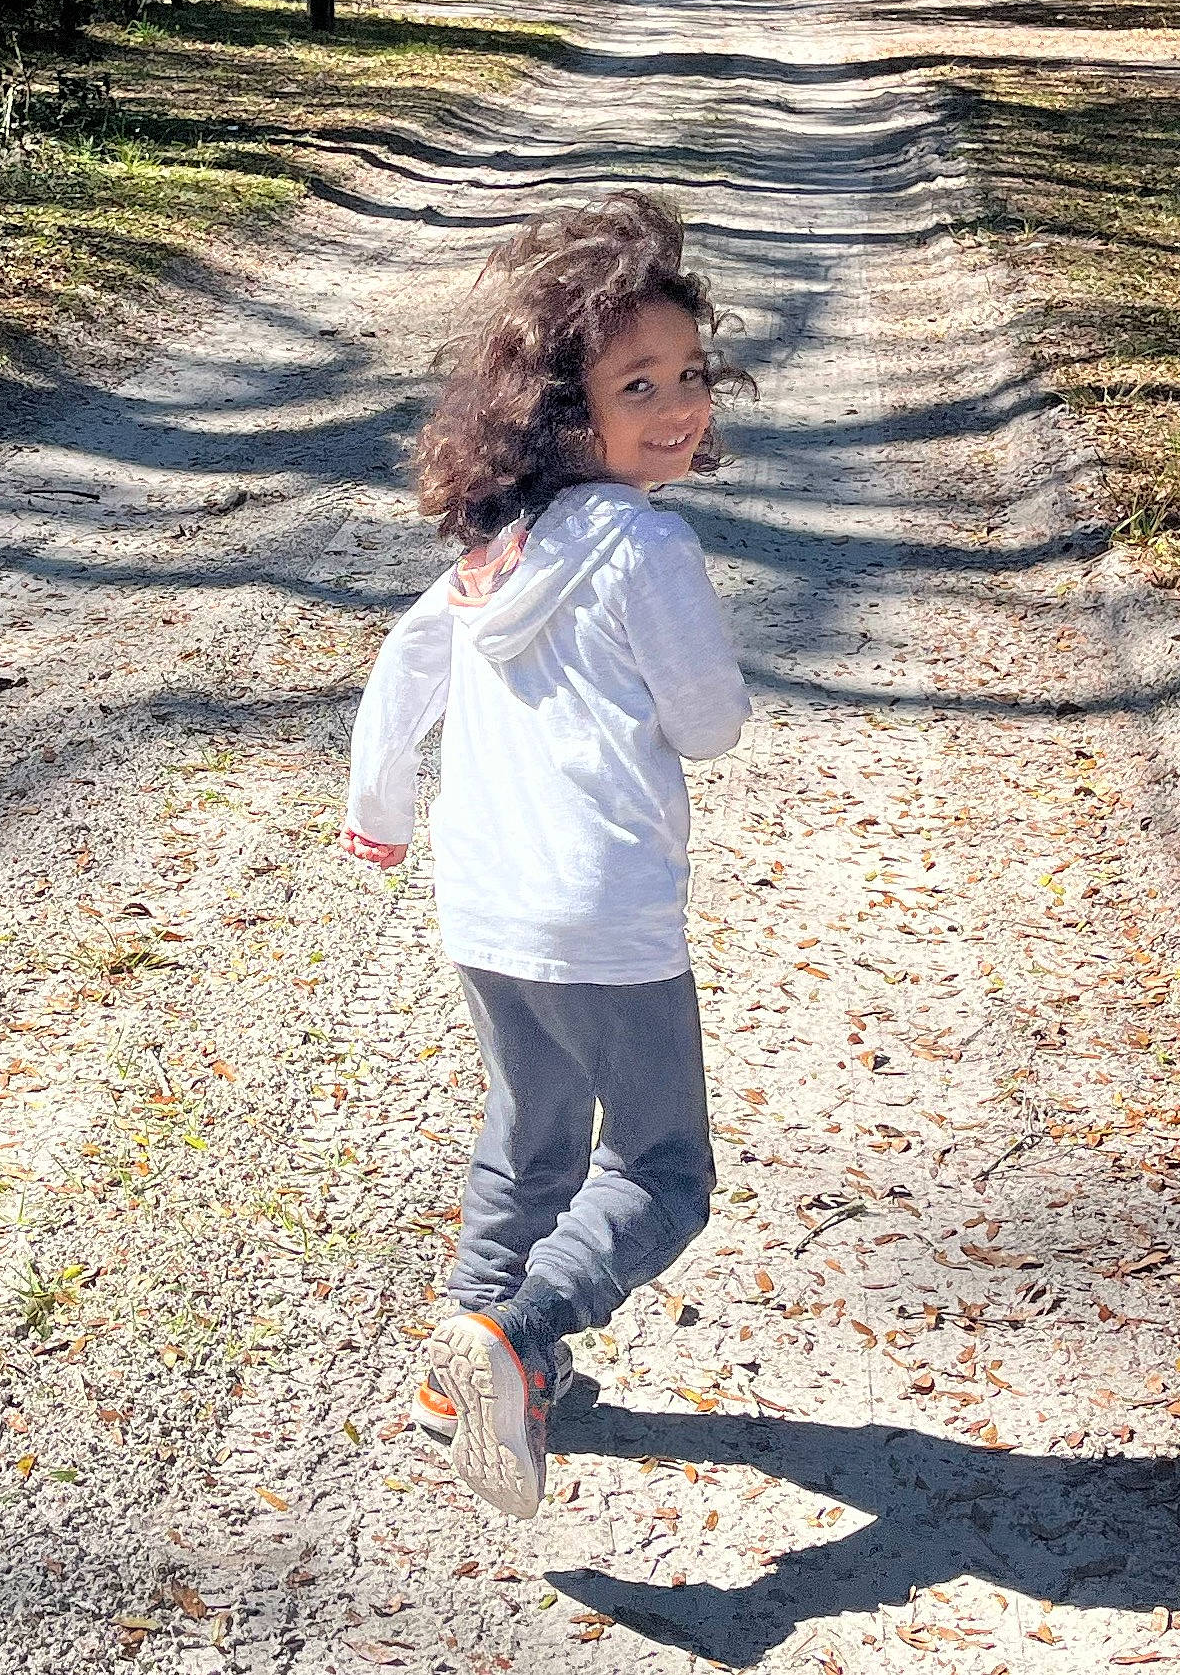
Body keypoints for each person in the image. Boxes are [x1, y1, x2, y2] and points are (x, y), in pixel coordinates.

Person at [341, 190, 752, 1519]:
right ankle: (514, 1341)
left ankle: (453, 1362)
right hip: (603, 917)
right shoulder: (648, 546)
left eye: (688, 373)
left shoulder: (493, 550)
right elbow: (709, 722)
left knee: (527, 1137)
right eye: (637, 383)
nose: (677, 403)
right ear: (563, 409)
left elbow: (408, 663)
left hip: (486, 906)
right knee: (657, 1170)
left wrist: (381, 810)